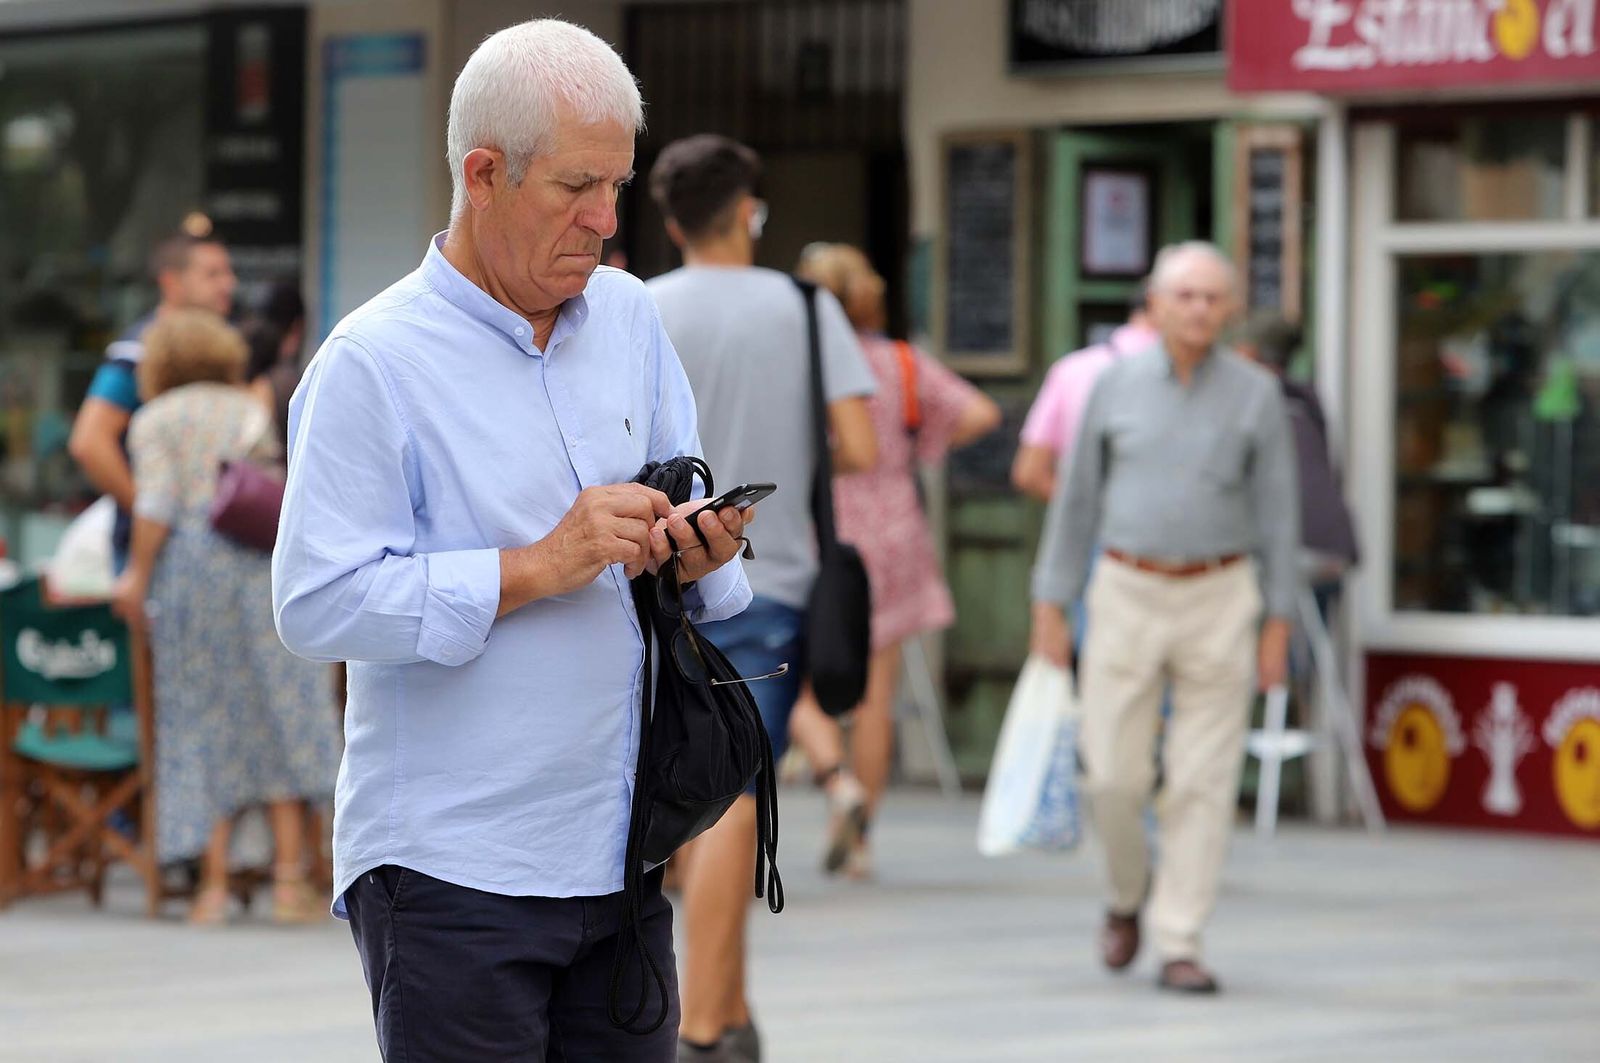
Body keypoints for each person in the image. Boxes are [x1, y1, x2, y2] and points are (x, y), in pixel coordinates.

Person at [271, 21, 754, 1061]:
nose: (606, 221)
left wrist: (700, 553)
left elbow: (686, 505)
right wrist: (537, 565)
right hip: (452, 870)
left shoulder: (626, 317)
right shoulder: (372, 361)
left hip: (623, 847)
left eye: (619, 187)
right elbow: (315, 604)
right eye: (577, 187)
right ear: (482, 174)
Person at [646, 136, 877, 1063]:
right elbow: (857, 445)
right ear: (750, 210)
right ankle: (702, 1026)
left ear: (669, 220)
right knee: (734, 791)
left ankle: (728, 1011)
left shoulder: (639, 307)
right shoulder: (807, 307)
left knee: (700, 778)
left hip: (662, 577)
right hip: (769, 573)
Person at [1030, 242, 1299, 996]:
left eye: (1214, 297)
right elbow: (1075, 500)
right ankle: (1126, 896)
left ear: (1231, 307)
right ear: (1155, 302)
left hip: (1221, 592)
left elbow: (1280, 514)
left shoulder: (1257, 394)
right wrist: (1050, 603)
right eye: (1185, 296)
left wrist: (1278, 622)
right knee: (1114, 773)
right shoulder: (1112, 385)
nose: (1200, 310)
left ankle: (1181, 937)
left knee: (1203, 779)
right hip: (1124, 587)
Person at [109, 309, 340, 925]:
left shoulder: (155, 420)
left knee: (205, 720)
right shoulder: (246, 407)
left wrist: (135, 574)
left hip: (194, 576)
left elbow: (155, 503)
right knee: (278, 711)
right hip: (260, 568)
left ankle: (213, 887)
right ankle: (291, 883)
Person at [787, 242, 1001, 879]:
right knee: (875, 695)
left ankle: (835, 781)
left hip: (816, 529)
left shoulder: (799, 364)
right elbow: (982, 412)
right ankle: (861, 842)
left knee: (788, 677)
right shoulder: (901, 364)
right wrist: (917, 445)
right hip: (893, 531)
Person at [69, 233, 236, 569]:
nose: (228, 284)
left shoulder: (221, 344)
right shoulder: (138, 351)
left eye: (228, 273)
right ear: (171, 283)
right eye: (212, 274)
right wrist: (154, 518)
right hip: (155, 557)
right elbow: (89, 442)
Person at [1235, 312, 1360, 587]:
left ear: (1249, 352)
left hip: (1296, 540)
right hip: (1330, 540)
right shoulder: (1303, 398)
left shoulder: (1253, 404)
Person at [1012, 282, 1157, 501]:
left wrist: (1086, 511)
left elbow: (1030, 473)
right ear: (1157, 304)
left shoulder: (1071, 370)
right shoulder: (1193, 375)